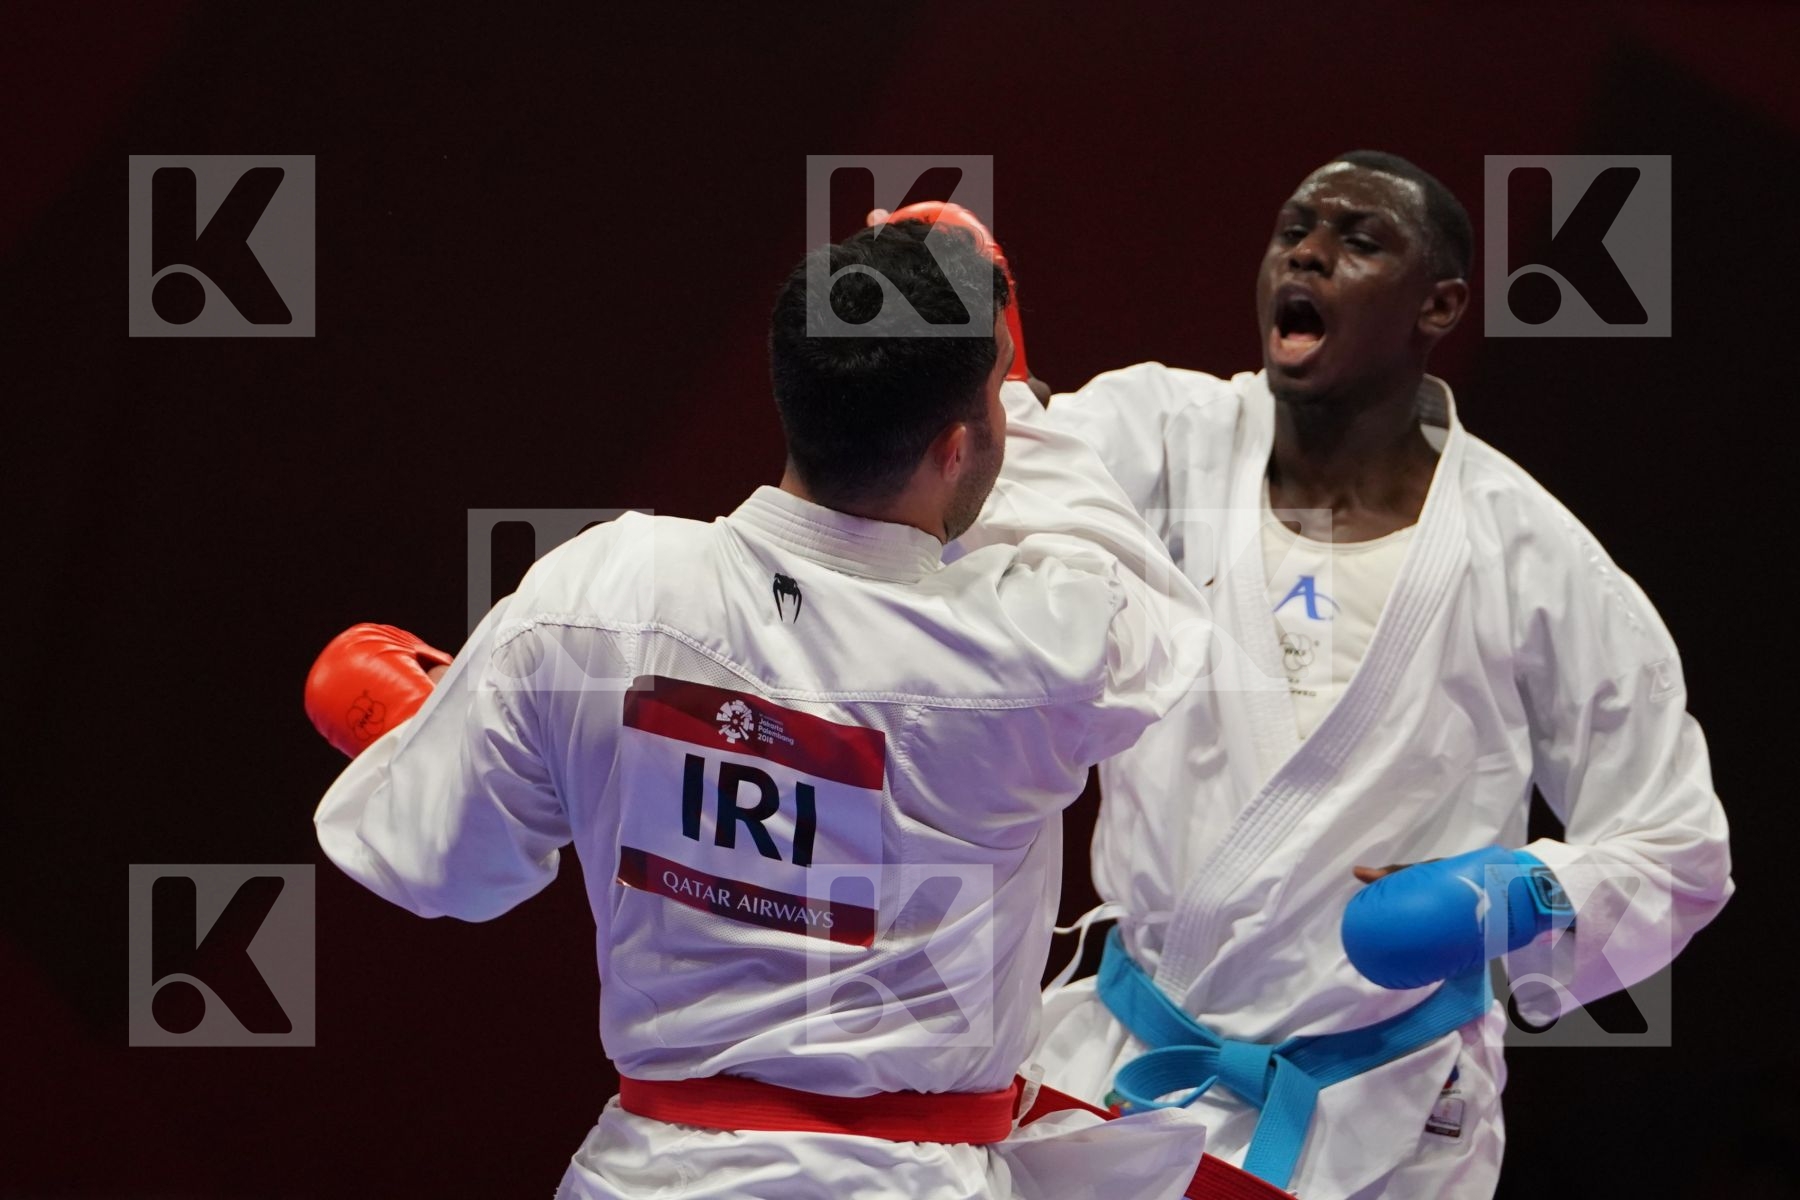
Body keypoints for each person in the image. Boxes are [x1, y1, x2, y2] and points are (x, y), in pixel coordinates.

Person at [304, 216, 1256, 1198]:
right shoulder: (1033, 653)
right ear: (961, 442)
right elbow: (1132, 588)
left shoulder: (592, 600)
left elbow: (447, 870)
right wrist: (1012, 367)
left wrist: (427, 733)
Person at [1029, 151, 1735, 1198]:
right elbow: (998, 465)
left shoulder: (1534, 557)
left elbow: (1682, 848)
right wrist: (951, 330)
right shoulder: (1164, 439)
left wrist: (1522, 891)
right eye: (1295, 229)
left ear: (1437, 304)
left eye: (1360, 240)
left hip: (1385, 1122)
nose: (1307, 252)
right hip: (1127, 1066)